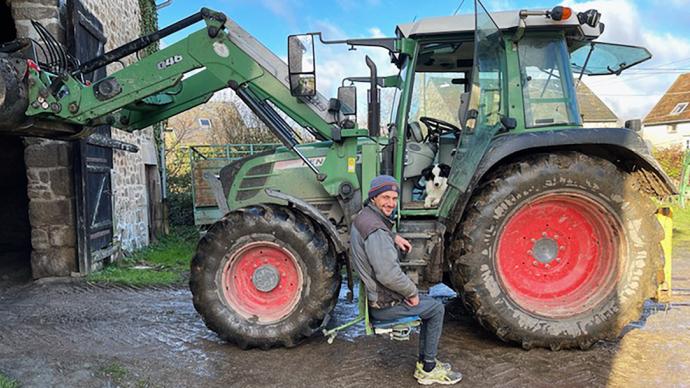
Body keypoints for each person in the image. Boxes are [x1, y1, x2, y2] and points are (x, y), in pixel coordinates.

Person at [350, 175, 463, 385]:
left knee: (425, 300)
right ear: (374, 197)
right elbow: (388, 274)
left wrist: (393, 237)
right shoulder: (377, 231)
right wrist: (411, 293)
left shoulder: (364, 217)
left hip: (377, 294)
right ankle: (428, 369)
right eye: (386, 197)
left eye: (394, 198)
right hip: (383, 304)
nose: (391, 203)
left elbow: (377, 237)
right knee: (436, 309)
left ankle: (425, 362)